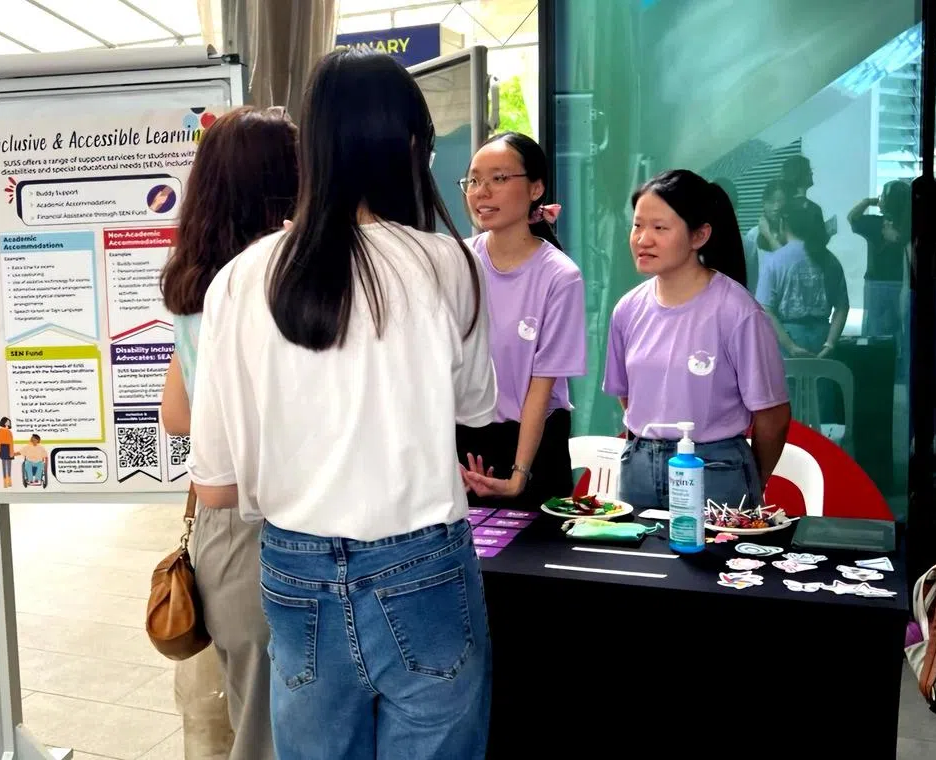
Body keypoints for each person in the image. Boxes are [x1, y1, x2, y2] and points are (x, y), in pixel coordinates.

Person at [186, 49, 496, 759]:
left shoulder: (237, 281)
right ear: (411, 147)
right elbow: (478, 408)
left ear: (313, 147)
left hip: (294, 570)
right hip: (424, 566)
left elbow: (215, 484)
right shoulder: (446, 262)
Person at [159, 106, 300, 760]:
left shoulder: (192, 281)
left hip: (225, 537)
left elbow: (177, 415)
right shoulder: (279, 281)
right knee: (284, 727)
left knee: (254, 718)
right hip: (274, 516)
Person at [604, 169, 791, 509]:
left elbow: (773, 416)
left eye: (659, 228)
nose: (643, 239)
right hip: (639, 468)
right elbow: (628, 397)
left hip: (717, 469)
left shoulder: (737, 311)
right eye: (637, 225)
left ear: (699, 235)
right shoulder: (627, 310)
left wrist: (749, 478)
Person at [456, 131, 585, 508]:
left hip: (534, 445)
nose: (482, 191)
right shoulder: (458, 261)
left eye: (498, 178)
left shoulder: (560, 276)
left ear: (535, 189)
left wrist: (519, 475)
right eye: (474, 180)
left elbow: (541, 387)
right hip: (465, 445)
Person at [757, 196, 850, 359]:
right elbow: (842, 307)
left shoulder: (774, 260)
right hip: (821, 338)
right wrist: (830, 343)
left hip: (786, 338)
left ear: (783, 224)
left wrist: (790, 346)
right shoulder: (830, 260)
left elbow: (765, 309)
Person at [849, 180, 911, 338]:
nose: (879, 198)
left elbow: (852, 217)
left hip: (876, 283)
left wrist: (868, 202)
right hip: (903, 283)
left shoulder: (875, 223)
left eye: (882, 196)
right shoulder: (909, 225)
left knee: (875, 331)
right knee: (902, 330)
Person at [742, 179, 789, 294]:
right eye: (772, 201)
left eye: (780, 201)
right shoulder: (753, 234)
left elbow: (787, 263)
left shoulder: (791, 233)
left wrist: (768, 234)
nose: (776, 207)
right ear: (763, 203)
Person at [0, 417, 15, 488]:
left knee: (9, 465)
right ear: (3, 422)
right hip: (3, 448)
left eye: (9, 422)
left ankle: (9, 480)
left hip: (9, 448)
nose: (8, 423)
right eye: (7, 421)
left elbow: (11, 443)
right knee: (4, 465)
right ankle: (5, 482)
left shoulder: (9, 432)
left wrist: (12, 451)